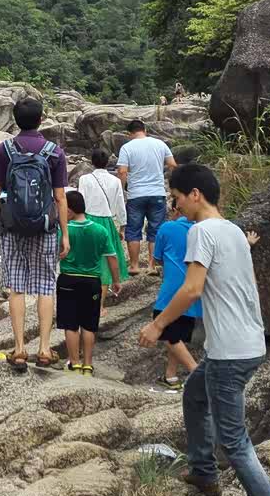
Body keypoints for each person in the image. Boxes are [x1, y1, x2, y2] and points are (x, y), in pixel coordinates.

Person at [139, 164, 270, 496]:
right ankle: (203, 470)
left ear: (195, 194)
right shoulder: (234, 231)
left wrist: (158, 325)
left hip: (230, 352)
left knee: (236, 443)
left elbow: (192, 288)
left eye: (177, 196)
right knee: (194, 395)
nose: (175, 203)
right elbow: (248, 286)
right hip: (249, 345)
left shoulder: (201, 231)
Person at [0, 97, 69, 373]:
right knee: (45, 285)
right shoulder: (54, 152)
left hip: (12, 226)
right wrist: (65, 234)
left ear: (15, 120)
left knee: (16, 286)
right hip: (44, 227)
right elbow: (60, 197)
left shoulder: (4, 149)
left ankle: (19, 349)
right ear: (41, 119)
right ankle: (44, 348)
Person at [57, 190, 120, 376]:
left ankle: (74, 363)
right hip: (92, 282)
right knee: (89, 324)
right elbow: (112, 257)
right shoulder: (100, 230)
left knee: (70, 324)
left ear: (69, 210)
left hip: (68, 279)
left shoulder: (64, 231)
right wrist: (116, 280)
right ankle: (88, 364)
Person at [150, 197, 201, 390]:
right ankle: (170, 376)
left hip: (171, 293)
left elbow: (158, 258)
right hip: (194, 295)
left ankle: (196, 373)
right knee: (176, 337)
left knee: (167, 333)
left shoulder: (167, 228)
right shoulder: (203, 230)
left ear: (176, 209)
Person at [117, 120, 177, 274]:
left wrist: (122, 190)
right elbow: (172, 165)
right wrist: (172, 187)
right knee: (156, 229)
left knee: (133, 229)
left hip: (136, 195)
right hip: (157, 192)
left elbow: (122, 171)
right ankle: (152, 266)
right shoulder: (160, 144)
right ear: (144, 129)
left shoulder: (127, 147)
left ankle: (135, 266)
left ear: (129, 133)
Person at [78, 148, 128, 315]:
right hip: (106, 222)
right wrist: (122, 226)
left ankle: (84, 302)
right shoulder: (114, 181)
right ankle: (99, 306)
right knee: (105, 264)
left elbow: (80, 201)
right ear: (107, 163)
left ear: (92, 162)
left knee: (86, 261)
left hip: (87, 221)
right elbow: (121, 204)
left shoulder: (84, 179)